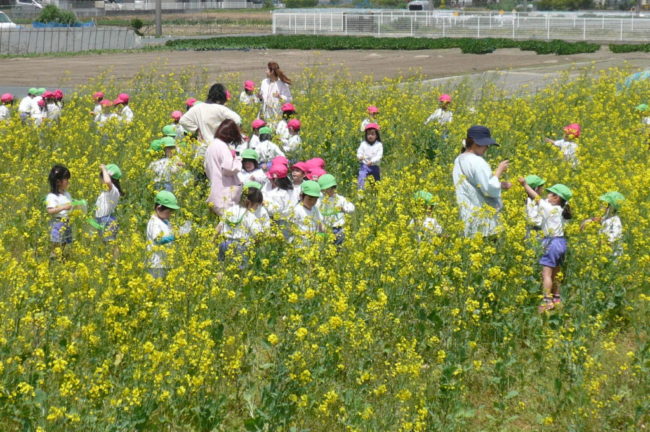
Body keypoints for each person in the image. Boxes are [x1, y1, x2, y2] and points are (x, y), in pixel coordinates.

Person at [518, 180, 573, 312]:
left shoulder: (550, 208)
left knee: (546, 275)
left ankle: (546, 301)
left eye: (549, 194)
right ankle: (557, 298)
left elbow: (535, 197)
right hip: (561, 242)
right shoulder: (562, 210)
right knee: (556, 272)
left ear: (556, 198)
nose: (546, 196)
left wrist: (525, 184)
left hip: (551, 242)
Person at [452, 125, 511, 238]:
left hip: (467, 216)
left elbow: (474, 183)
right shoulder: (477, 161)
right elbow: (489, 189)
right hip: (484, 221)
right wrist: (498, 172)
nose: (487, 147)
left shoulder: (459, 159)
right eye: (485, 144)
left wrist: (499, 184)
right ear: (474, 143)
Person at [180, 84, 242, 156]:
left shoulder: (198, 107)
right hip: (220, 147)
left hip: (203, 147)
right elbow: (237, 120)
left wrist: (197, 130)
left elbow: (183, 120)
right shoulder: (221, 109)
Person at [216, 185, 268, 261]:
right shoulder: (250, 216)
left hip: (224, 244)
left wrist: (211, 242)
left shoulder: (230, 210)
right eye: (257, 205)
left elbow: (218, 228)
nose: (257, 208)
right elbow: (259, 236)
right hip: (239, 247)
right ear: (249, 203)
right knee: (237, 271)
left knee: (222, 268)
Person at [204, 119, 243, 216]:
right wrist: (237, 160)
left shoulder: (211, 146)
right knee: (228, 223)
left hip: (215, 191)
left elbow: (206, 167)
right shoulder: (223, 147)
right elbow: (229, 169)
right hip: (225, 193)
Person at [46, 165, 84, 258]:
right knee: (56, 247)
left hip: (67, 222)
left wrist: (77, 207)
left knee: (64, 245)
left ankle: (61, 262)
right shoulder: (52, 196)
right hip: (57, 223)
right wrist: (63, 207)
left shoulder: (67, 194)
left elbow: (70, 206)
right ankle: (53, 262)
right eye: (66, 179)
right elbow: (50, 210)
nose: (68, 182)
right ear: (58, 182)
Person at [146, 190, 180, 279]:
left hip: (166, 262)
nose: (170, 214)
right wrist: (174, 237)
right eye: (168, 212)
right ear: (158, 208)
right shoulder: (154, 222)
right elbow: (158, 239)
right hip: (156, 264)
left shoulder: (165, 222)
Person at [580, 191, 624, 256]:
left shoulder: (616, 222)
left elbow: (612, 240)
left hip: (612, 257)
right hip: (603, 254)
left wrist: (597, 242)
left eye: (607, 204)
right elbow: (601, 220)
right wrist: (589, 221)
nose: (602, 206)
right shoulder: (608, 216)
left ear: (612, 207)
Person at [317, 174, 355, 245]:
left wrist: (344, 209)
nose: (330, 190)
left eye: (332, 188)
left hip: (338, 229)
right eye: (324, 189)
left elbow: (352, 208)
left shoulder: (340, 199)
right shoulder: (319, 200)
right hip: (325, 229)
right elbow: (316, 214)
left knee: (337, 247)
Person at [93, 164, 123, 242]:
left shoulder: (114, 191)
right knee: (104, 245)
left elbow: (107, 181)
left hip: (107, 220)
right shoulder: (106, 191)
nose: (100, 180)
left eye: (101, 177)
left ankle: (116, 254)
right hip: (100, 219)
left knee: (110, 244)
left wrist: (104, 169)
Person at [357, 123, 383, 190]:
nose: (370, 136)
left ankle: (375, 194)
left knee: (376, 181)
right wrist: (360, 156)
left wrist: (372, 161)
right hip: (364, 165)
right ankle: (360, 194)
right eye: (368, 134)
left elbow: (379, 156)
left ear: (376, 135)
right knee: (361, 178)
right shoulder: (363, 144)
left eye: (372, 134)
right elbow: (359, 152)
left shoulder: (379, 145)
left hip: (375, 166)